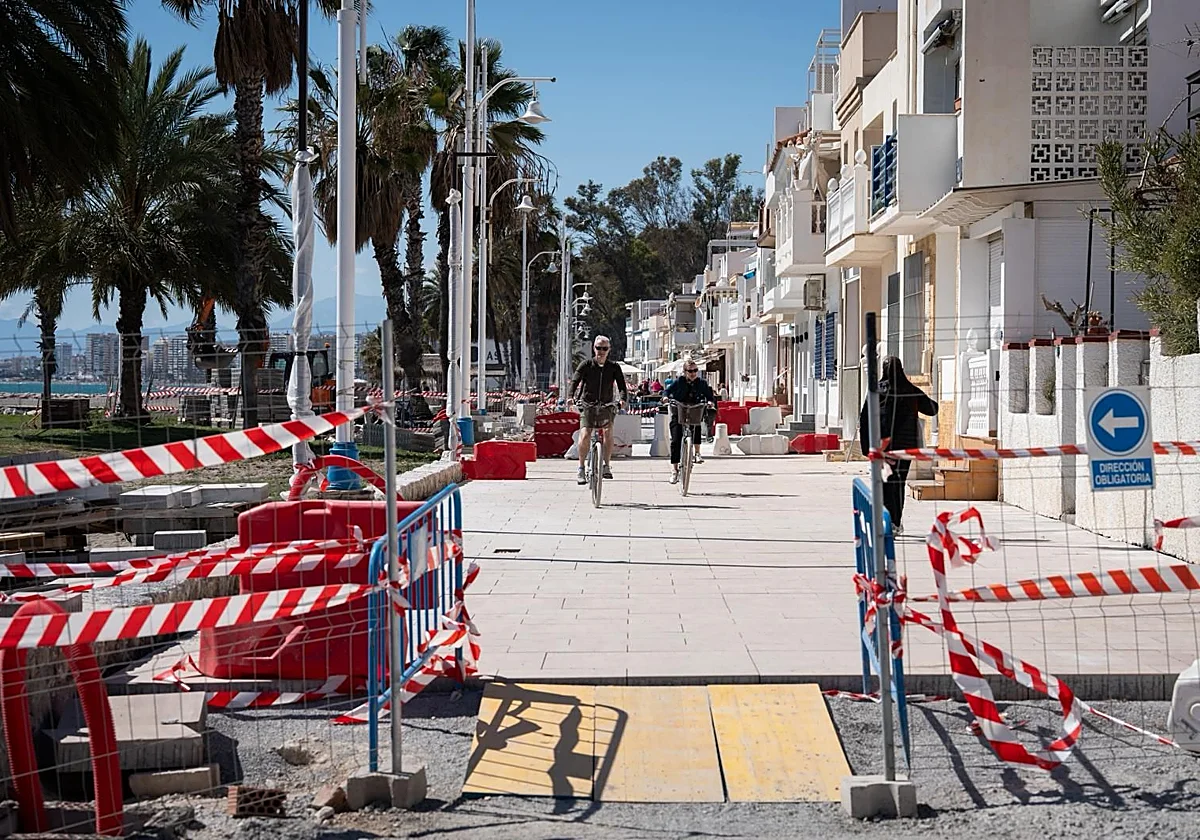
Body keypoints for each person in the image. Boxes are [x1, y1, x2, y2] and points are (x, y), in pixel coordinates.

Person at [859, 356, 938, 534]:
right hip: (905, 448)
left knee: (886, 482)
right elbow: (933, 409)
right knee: (899, 483)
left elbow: (864, 419)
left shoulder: (875, 391)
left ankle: (886, 519)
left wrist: (866, 447)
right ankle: (895, 522)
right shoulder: (910, 391)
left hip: (882, 448)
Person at [569, 335, 629, 484]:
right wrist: (570, 396)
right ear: (593, 348)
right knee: (585, 433)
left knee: (608, 432)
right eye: (598, 348)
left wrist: (622, 400)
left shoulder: (614, 367)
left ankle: (607, 465)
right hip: (588, 404)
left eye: (604, 349)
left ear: (609, 350)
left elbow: (622, 386)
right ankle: (581, 468)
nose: (601, 351)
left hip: (607, 405)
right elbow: (575, 381)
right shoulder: (586, 365)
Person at [664, 359, 716, 484]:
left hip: (694, 410)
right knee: (676, 440)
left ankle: (697, 453)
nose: (693, 373)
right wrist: (665, 397)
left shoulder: (701, 383)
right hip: (679, 410)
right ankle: (675, 470)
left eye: (695, 370)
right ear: (685, 372)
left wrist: (710, 402)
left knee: (696, 425)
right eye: (690, 371)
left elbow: (710, 395)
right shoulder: (679, 382)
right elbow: (667, 391)